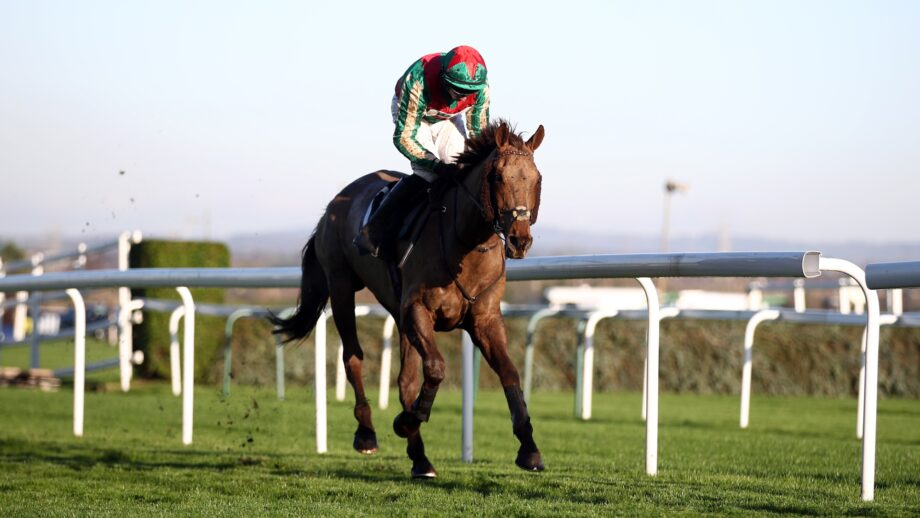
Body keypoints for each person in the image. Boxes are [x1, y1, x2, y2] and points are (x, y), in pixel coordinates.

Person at [354, 45, 490, 257]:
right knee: (428, 173)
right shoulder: (419, 79)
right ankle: (374, 229)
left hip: (447, 119)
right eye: (458, 90)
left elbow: (479, 132)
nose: (463, 97)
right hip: (413, 113)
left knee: (463, 168)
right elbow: (404, 138)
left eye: (468, 92)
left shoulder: (481, 87)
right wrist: (435, 164)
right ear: (444, 78)